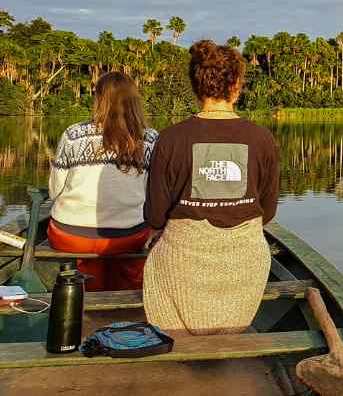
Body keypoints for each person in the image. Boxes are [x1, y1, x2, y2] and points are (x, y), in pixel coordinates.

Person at [143, 39, 279, 335]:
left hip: (183, 265)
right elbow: (267, 212)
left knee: (155, 249)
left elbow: (154, 217)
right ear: (237, 85)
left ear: (196, 85)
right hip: (243, 265)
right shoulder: (262, 138)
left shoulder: (170, 139)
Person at [48, 71, 158, 291]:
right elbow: (153, 195)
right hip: (129, 235)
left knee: (89, 266)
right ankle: (125, 303)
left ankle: (86, 297)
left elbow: (54, 192)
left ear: (99, 99)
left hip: (70, 234)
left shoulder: (73, 135)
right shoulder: (150, 138)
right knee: (133, 253)